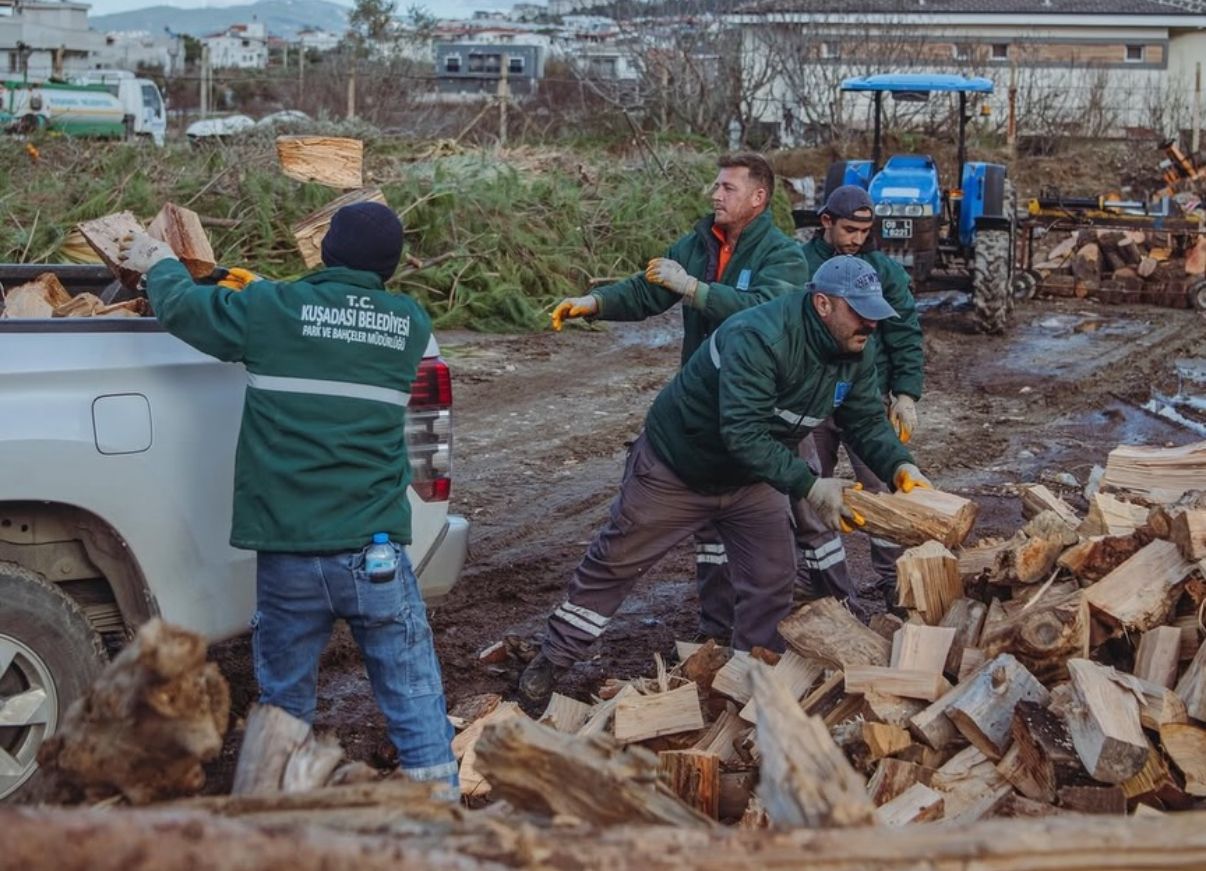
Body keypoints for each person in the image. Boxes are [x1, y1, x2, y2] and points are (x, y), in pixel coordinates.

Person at [117, 203, 458, 794]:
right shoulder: (408, 324)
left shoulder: (272, 310)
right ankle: (445, 813)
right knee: (414, 700)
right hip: (374, 557)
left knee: (284, 710)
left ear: (325, 251)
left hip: (290, 556)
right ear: (393, 268)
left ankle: (278, 821)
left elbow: (182, 309)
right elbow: (329, 322)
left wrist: (160, 263)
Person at [519, 256, 931, 706]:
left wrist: (899, 466)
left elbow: (866, 420)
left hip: (752, 479)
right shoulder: (760, 337)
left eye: (875, 314)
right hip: (678, 468)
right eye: (860, 312)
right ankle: (552, 662)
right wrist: (811, 487)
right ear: (822, 304)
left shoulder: (857, 347)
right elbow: (743, 432)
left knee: (773, 577)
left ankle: (747, 683)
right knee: (615, 565)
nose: (871, 325)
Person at [551, 152, 810, 646]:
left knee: (771, 562)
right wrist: (596, 303)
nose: (715, 194)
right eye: (716, 185)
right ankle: (712, 634)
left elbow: (767, 311)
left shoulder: (783, 256)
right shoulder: (699, 243)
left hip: (755, 413)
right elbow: (649, 289)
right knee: (699, 546)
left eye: (727, 188)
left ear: (758, 198)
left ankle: (756, 659)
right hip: (699, 410)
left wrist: (694, 289)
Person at [796, 186, 925, 614]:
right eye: (850, 229)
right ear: (826, 222)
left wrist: (905, 393)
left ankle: (895, 581)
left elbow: (904, 332)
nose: (856, 239)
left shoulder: (880, 271)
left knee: (886, 488)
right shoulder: (799, 267)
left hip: (867, 395)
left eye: (865, 231)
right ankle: (819, 585)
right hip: (812, 401)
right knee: (812, 490)